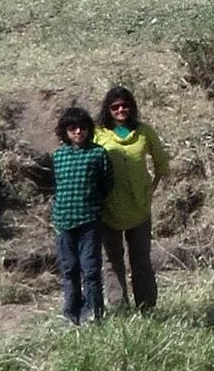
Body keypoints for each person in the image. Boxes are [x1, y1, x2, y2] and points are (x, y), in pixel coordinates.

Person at [94, 85, 170, 310]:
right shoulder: (98, 134)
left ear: (132, 107)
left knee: (141, 260)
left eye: (125, 105)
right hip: (108, 210)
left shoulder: (144, 132)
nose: (121, 110)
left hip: (139, 209)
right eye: (115, 107)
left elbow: (162, 165)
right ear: (108, 109)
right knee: (112, 261)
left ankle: (147, 307)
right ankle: (119, 308)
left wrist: (149, 191)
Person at [51, 105, 111, 325]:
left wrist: (93, 204)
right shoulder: (58, 156)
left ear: (89, 129)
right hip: (64, 221)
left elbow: (107, 184)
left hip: (89, 221)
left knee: (91, 269)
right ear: (65, 131)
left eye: (82, 127)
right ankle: (71, 312)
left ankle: (94, 313)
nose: (78, 132)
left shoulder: (98, 154)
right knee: (69, 269)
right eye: (72, 128)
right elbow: (56, 185)